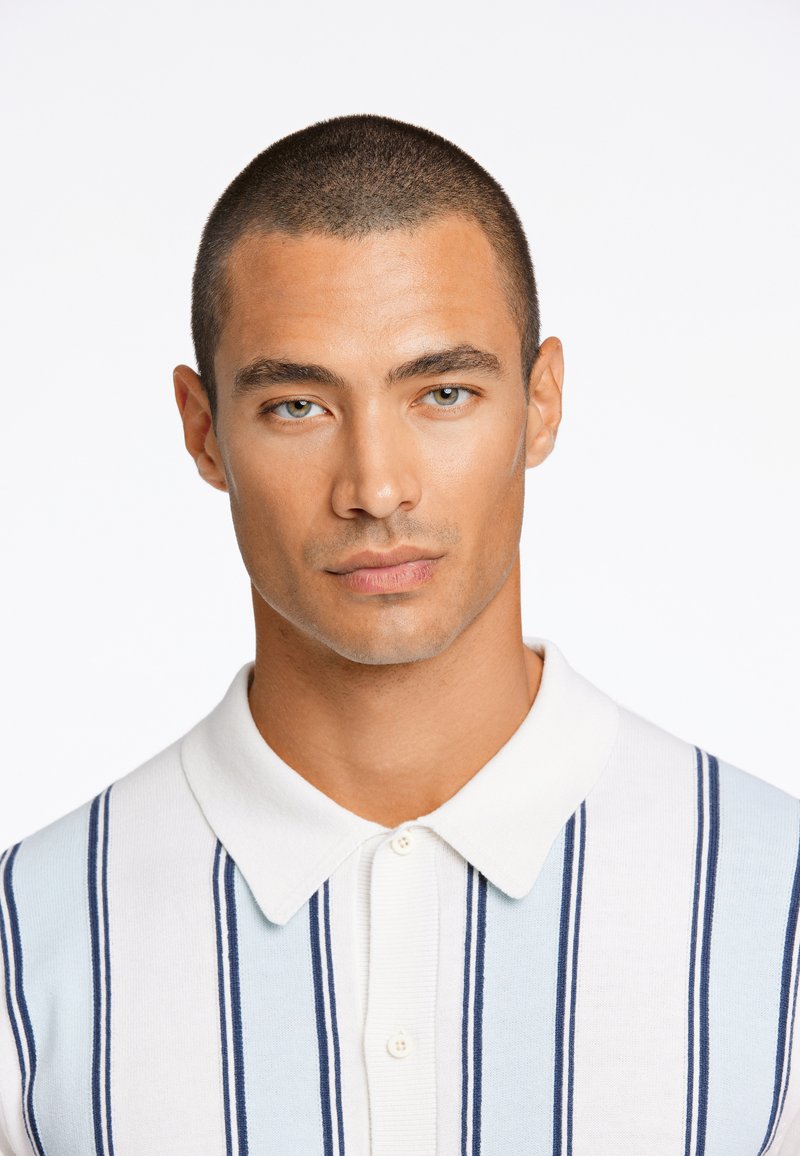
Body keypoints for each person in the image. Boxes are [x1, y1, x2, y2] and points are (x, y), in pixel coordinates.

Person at [1, 114, 798, 1156]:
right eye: (298, 406)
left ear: (541, 401)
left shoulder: (776, 908)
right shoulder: (27, 948)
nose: (375, 487)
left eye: (443, 393)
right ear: (203, 431)